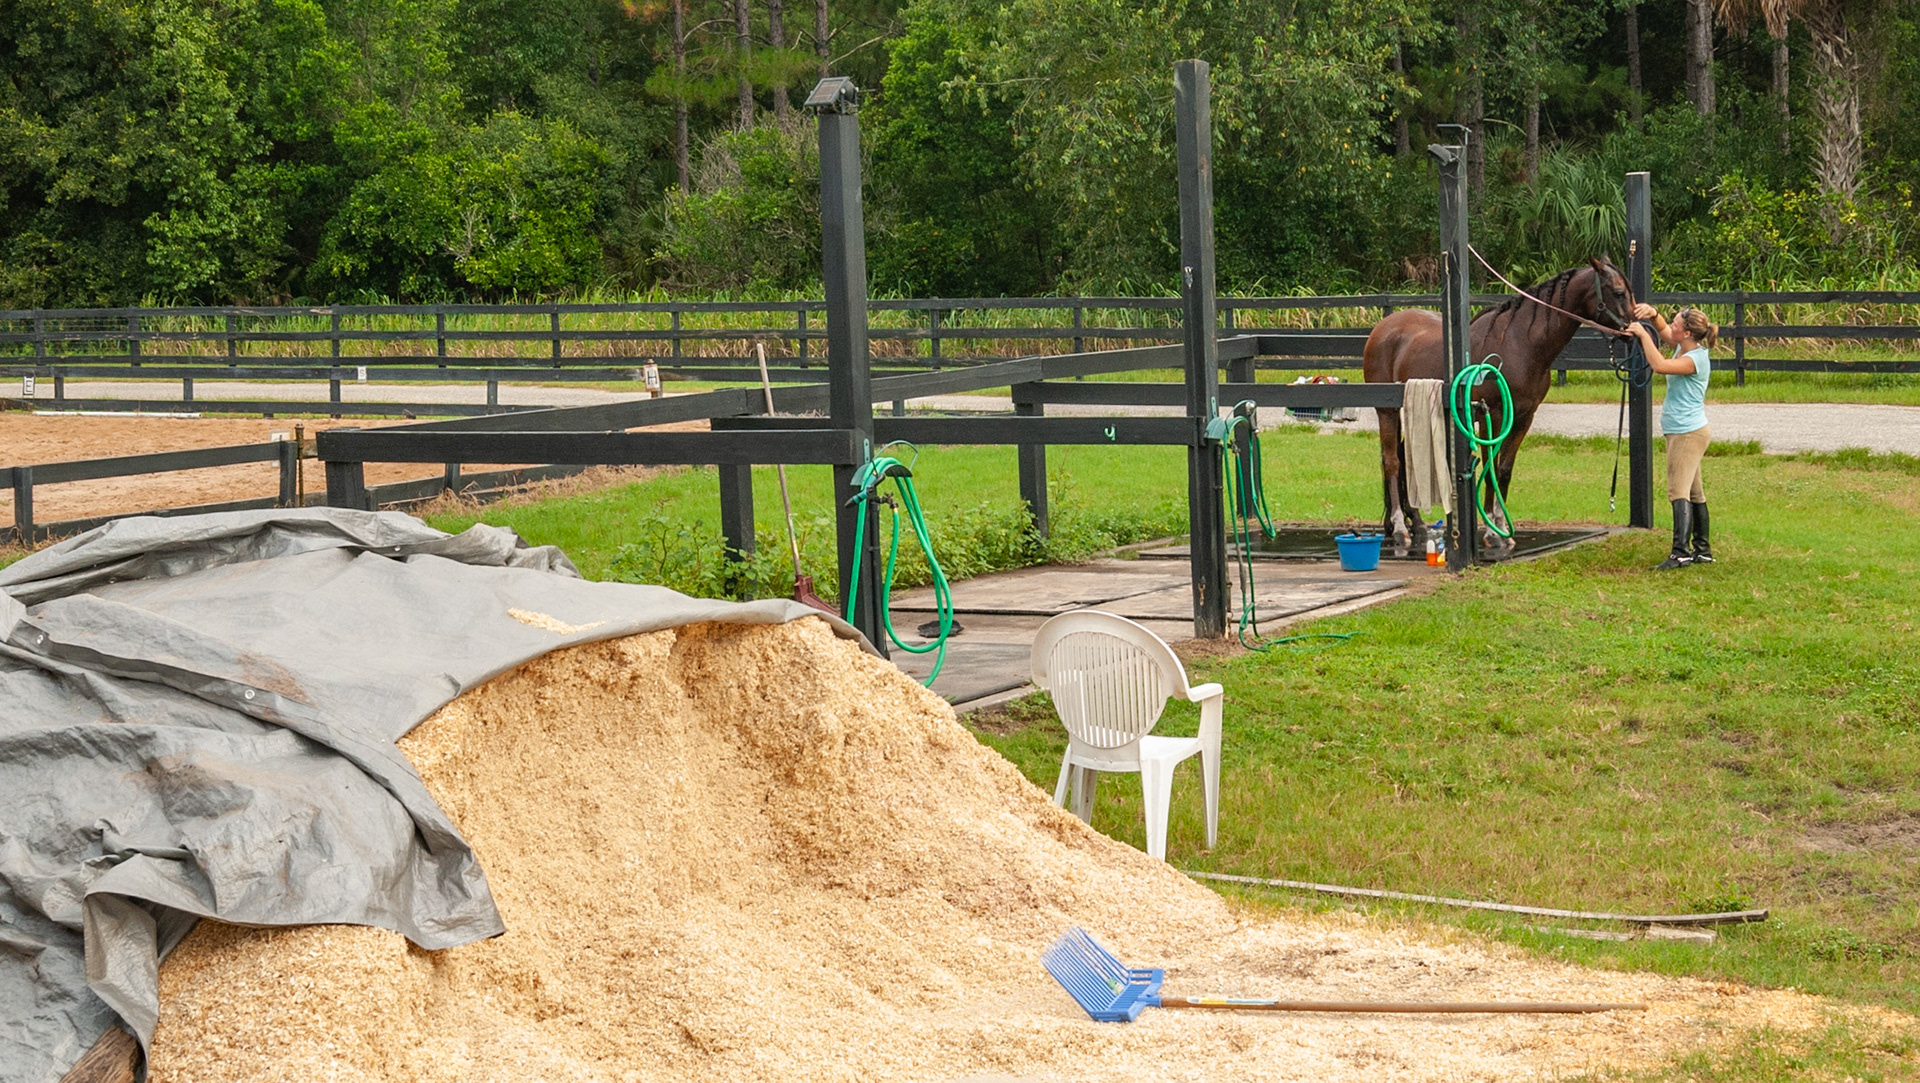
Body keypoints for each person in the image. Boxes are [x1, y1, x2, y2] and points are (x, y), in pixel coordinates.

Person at [1629, 303, 1717, 570]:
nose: (1672, 325)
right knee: (1695, 492)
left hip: (1686, 433)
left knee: (1678, 492)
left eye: (1677, 323)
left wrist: (1643, 335)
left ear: (1688, 333)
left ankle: (1680, 552)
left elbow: (1659, 365)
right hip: (1686, 430)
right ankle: (1702, 549)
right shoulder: (1686, 346)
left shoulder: (1693, 360)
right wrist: (1653, 315)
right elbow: (1666, 333)